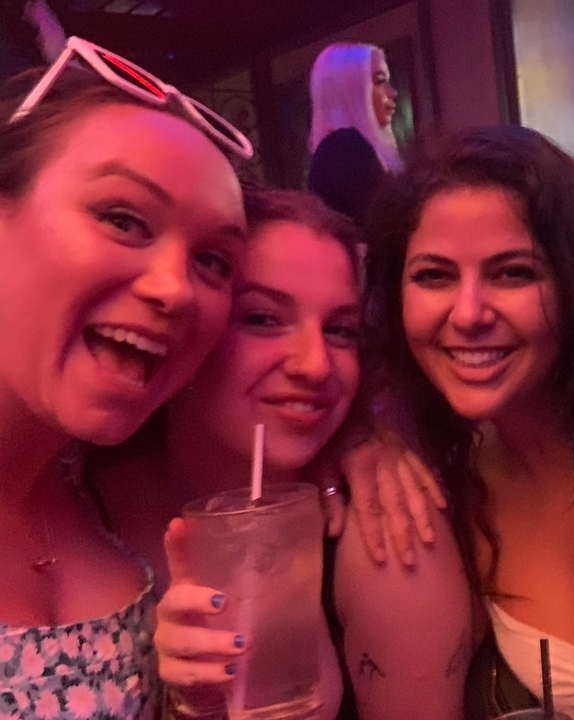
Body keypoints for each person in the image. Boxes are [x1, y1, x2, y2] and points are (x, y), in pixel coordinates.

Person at [89, 187, 471, 720]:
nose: (315, 365)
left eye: (341, 330)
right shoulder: (75, 486)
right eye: (263, 319)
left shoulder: (383, 530)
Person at [364, 125, 574, 719]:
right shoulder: (443, 483)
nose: (468, 313)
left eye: (512, 273)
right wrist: (355, 442)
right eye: (434, 276)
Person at [0, 36, 250, 718]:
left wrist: (362, 446)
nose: (175, 290)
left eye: (214, 262)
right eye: (122, 219)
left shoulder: (101, 478)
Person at [307, 42, 402, 224]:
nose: (392, 92)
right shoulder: (345, 146)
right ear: (351, 88)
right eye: (380, 81)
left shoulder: (344, 145)